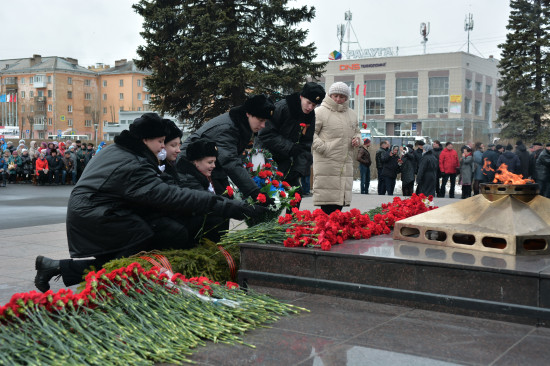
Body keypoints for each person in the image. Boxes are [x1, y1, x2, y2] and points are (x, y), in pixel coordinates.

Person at [34, 113, 267, 293]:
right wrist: (233, 207)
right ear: (145, 139)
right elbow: (169, 195)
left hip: (100, 209)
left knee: (130, 255)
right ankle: (59, 267)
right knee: (134, 253)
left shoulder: (127, 152)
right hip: (97, 215)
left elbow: (165, 187)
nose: (163, 147)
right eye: (160, 141)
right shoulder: (133, 163)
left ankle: (56, 267)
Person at [180, 94, 275, 200]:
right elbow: (230, 162)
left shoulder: (242, 125)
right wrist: (255, 192)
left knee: (227, 202)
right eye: (261, 120)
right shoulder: (227, 128)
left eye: (265, 122)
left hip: (211, 169)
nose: (263, 126)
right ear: (248, 114)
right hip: (190, 170)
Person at [258, 82, 325, 199]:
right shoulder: (282, 107)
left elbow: (306, 144)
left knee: (296, 195)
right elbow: (265, 134)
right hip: (266, 157)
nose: (310, 107)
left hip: (286, 160)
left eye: (314, 105)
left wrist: (298, 170)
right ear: (301, 97)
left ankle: (291, 218)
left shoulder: (310, 116)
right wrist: (290, 147)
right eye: (308, 102)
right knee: (268, 197)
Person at [312, 82, 361, 214]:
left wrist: (358, 139)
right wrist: (323, 147)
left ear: (347, 98)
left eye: (342, 97)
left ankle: (333, 231)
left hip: (345, 163)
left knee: (339, 204)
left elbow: (357, 131)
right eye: (335, 96)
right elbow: (311, 133)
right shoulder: (320, 112)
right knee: (327, 203)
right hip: (326, 162)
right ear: (330, 95)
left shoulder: (351, 114)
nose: (338, 99)